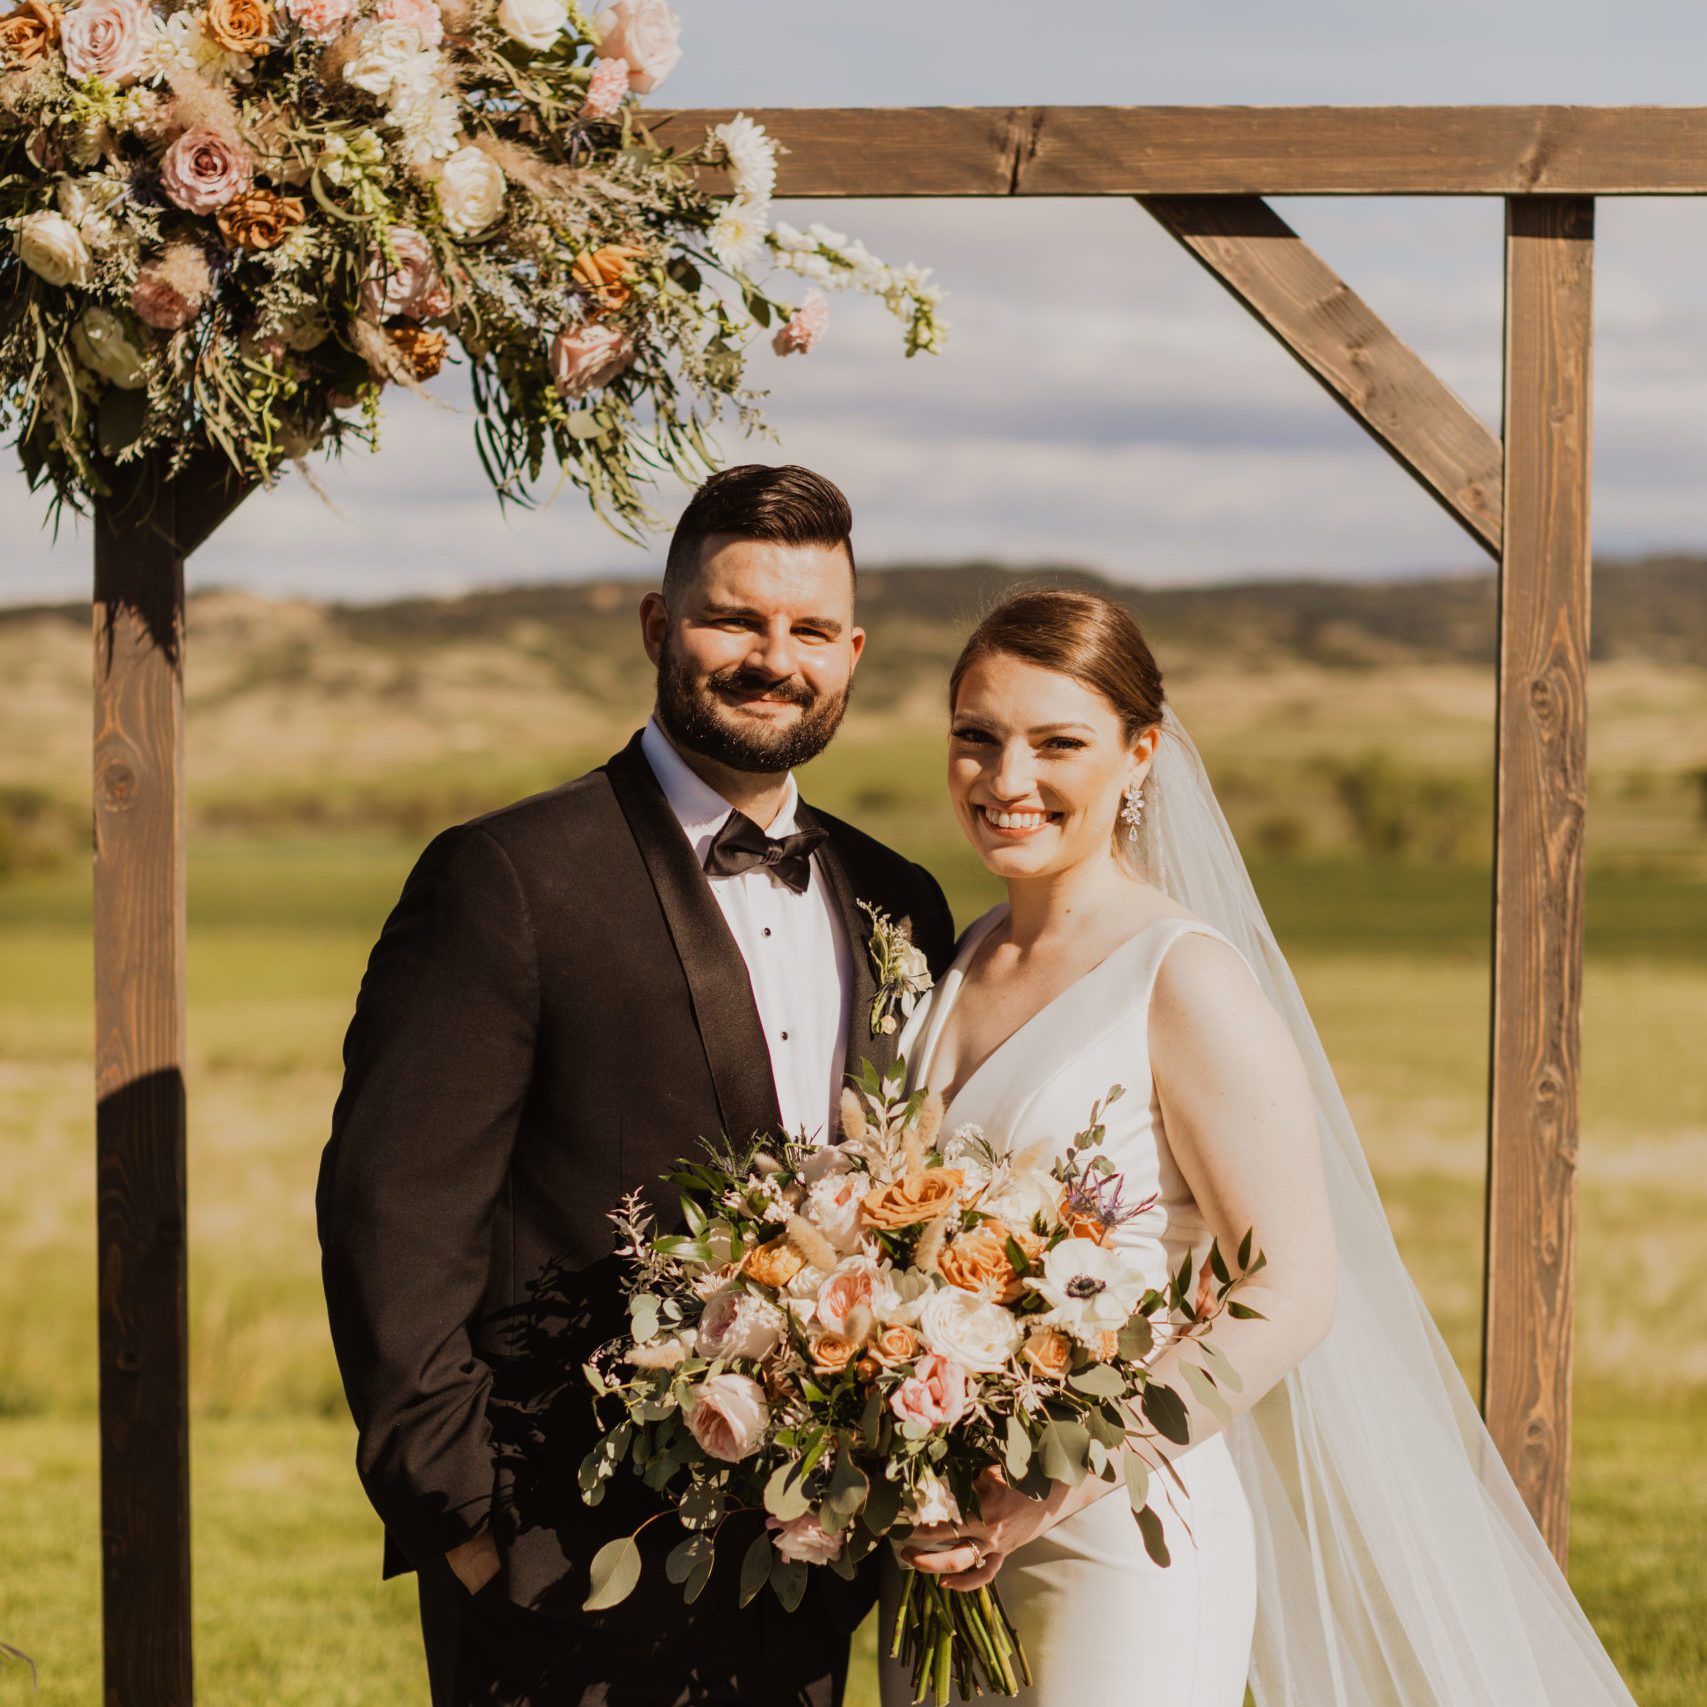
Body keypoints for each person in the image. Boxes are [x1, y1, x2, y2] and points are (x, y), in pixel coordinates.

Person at [881, 588, 1643, 1707]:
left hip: (1122, 1539)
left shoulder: (1181, 976)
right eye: (976, 738)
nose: (1005, 780)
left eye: (1058, 744)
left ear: (1141, 754)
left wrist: (1055, 1488)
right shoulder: (966, 956)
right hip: (949, 1544)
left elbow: (1288, 1289)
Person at [317, 464, 955, 1707]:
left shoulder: (900, 900)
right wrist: (469, 1521)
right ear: (661, 628)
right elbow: (391, 1215)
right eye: (735, 619)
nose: (776, 658)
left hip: (814, 1558)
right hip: (561, 1560)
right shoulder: (504, 878)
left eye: (811, 630)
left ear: (855, 651)